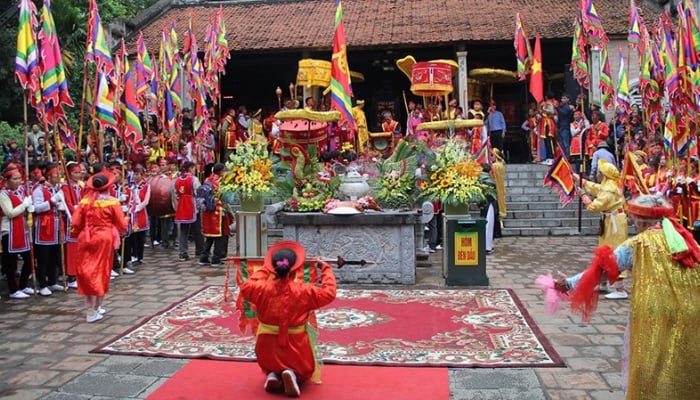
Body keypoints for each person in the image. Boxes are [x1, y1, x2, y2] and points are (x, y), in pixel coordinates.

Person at [555, 194, 700, 399]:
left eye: (633, 218)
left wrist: (568, 283)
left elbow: (602, 270)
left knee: (650, 366)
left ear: (642, 221)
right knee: (683, 363)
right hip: (691, 310)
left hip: (654, 313)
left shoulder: (639, 244)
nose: (632, 222)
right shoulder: (685, 239)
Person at [240, 240, 337, 398]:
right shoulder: (305, 291)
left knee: (270, 359)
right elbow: (329, 292)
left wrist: (265, 268)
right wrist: (325, 268)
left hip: (266, 344)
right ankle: (293, 375)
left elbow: (247, 285)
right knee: (304, 369)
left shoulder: (260, 288)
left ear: (274, 268)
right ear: (295, 269)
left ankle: (273, 373)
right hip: (296, 343)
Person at [70, 171, 127, 322]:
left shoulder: (84, 202)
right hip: (103, 238)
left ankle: (91, 308)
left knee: (86, 270)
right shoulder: (112, 202)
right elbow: (122, 224)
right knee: (101, 270)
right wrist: (126, 221)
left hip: (86, 237)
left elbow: (75, 223)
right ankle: (95, 308)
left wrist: (78, 233)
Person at [573, 159, 629, 299]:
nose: (596, 174)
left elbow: (594, 206)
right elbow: (595, 188)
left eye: (599, 172)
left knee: (614, 252)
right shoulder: (607, 184)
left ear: (604, 175)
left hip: (615, 223)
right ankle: (602, 282)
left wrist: (584, 196)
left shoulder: (610, 189)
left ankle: (620, 288)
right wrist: (579, 179)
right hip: (609, 221)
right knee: (604, 251)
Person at [32, 163, 67, 295]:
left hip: (55, 226)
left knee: (54, 256)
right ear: (49, 176)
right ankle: (43, 284)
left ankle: (52, 281)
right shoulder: (39, 190)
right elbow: (37, 208)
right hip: (43, 227)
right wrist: (52, 201)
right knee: (43, 258)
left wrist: (60, 206)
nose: (59, 177)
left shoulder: (55, 189)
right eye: (56, 175)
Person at [0, 165, 34, 299]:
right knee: (11, 262)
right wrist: (24, 205)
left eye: (19, 178)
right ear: (7, 180)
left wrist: (29, 208)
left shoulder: (20, 192)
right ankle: (13, 289)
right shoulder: (3, 194)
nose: (18, 181)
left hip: (22, 229)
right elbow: (10, 212)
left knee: (29, 259)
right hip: (9, 230)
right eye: (15, 179)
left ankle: (23, 285)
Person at [199, 163, 231, 267]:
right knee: (219, 237)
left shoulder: (207, 180)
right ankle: (216, 259)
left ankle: (204, 257)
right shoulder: (220, 182)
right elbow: (225, 198)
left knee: (209, 236)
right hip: (217, 212)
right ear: (221, 171)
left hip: (207, 212)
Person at [172, 161, 203, 261]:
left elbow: (176, 194)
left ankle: (182, 252)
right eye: (194, 168)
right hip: (192, 205)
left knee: (183, 230)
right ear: (190, 168)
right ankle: (200, 250)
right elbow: (198, 192)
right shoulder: (193, 179)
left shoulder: (177, 180)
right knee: (197, 229)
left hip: (181, 206)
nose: (195, 170)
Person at [557, 94, 574, 159]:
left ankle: (567, 157)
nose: (562, 100)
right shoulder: (561, 106)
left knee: (566, 143)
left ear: (568, 99)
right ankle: (563, 156)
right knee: (561, 144)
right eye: (562, 98)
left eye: (564, 98)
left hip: (565, 127)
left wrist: (557, 108)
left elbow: (564, 113)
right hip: (560, 127)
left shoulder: (568, 107)